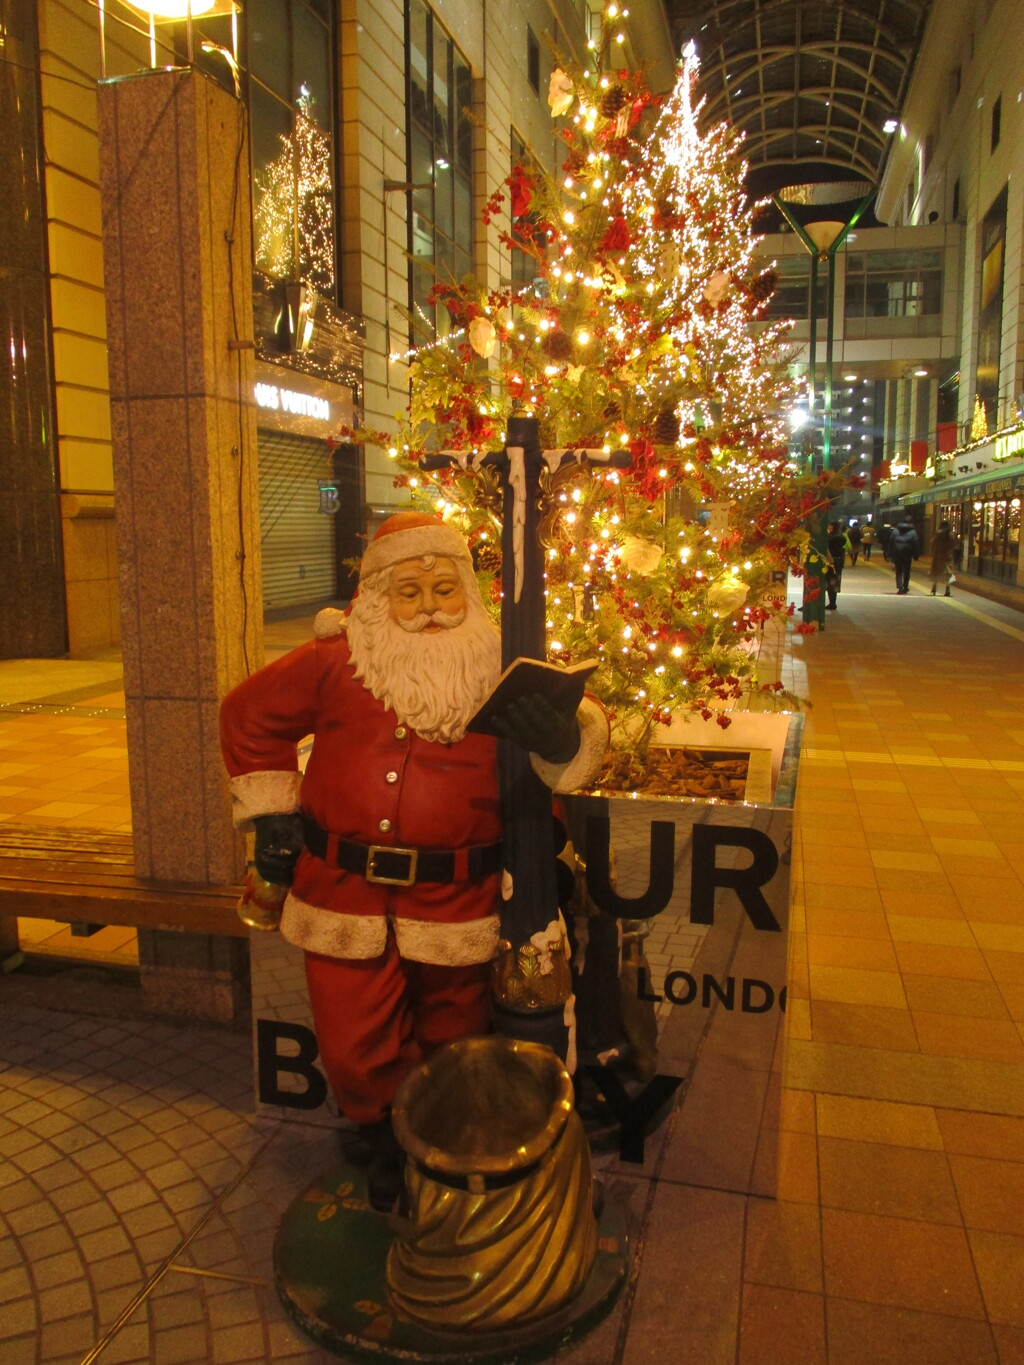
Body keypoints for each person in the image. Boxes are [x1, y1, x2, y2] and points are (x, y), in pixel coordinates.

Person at [220, 513, 609, 1207]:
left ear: (469, 593)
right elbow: (250, 714)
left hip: (457, 900)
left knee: (453, 1034)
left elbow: (576, 721)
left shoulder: (496, 661)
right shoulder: (337, 661)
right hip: (342, 892)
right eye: (410, 591)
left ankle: (441, 1143)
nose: (429, 607)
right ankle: (383, 1138)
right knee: (350, 1043)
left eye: (442, 588)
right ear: (377, 598)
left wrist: (560, 735)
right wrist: (273, 814)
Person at [887, 519, 920, 594]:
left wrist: (890, 555)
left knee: (899, 571)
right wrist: (916, 555)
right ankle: (905, 586)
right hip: (908, 554)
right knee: (907, 571)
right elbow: (916, 544)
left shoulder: (895, 531)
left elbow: (890, 543)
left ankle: (900, 587)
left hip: (897, 554)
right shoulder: (912, 532)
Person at [929, 520, 956, 596]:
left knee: (936, 571)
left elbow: (932, 542)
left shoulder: (938, 533)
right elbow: (954, 544)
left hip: (938, 554)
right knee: (949, 572)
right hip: (948, 555)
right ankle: (948, 588)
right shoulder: (951, 534)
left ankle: (934, 586)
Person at [824, 520, 847, 610]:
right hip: (838, 562)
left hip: (831, 561)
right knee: (834, 582)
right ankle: (832, 602)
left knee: (830, 581)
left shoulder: (832, 537)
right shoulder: (841, 537)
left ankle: (832, 603)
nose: (828, 528)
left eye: (830, 526)